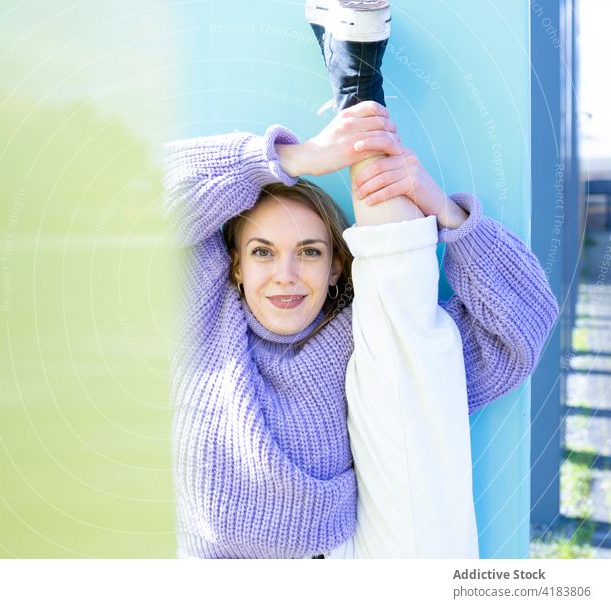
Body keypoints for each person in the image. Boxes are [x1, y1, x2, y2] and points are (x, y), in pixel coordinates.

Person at [163, 0, 559, 559]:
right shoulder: (202, 310)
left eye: (309, 251)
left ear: (336, 266)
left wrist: (443, 210)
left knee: (405, 336)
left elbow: (521, 327)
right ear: (234, 264)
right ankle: (358, 86)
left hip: (343, 562)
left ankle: (359, 86)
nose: (285, 275)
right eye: (261, 251)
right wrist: (299, 157)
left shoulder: (354, 335)